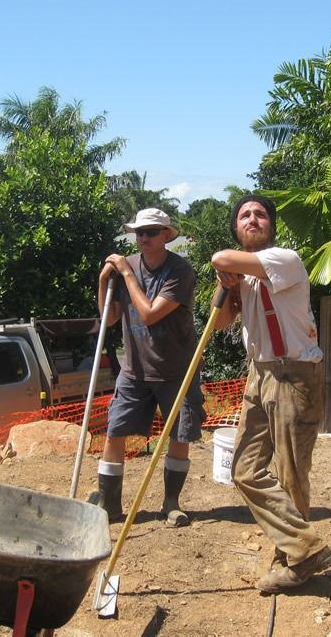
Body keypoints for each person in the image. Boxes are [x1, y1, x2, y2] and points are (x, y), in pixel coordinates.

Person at [211, 194, 331, 594]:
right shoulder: (243, 278)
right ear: (236, 227)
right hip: (259, 374)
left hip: (295, 374)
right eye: (244, 215)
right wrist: (226, 287)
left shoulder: (286, 260)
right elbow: (222, 322)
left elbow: (219, 257)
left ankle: (296, 558)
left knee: (292, 473)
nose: (252, 219)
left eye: (259, 214)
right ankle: (304, 547)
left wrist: (224, 268)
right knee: (244, 470)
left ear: (271, 226)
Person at [94, 207, 205, 528]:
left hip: (177, 370)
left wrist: (127, 276)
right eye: (139, 232)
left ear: (165, 236)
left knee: (179, 435)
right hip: (135, 370)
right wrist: (103, 282)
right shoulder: (126, 265)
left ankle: (171, 504)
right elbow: (110, 318)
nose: (143, 238)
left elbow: (150, 314)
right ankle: (109, 504)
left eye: (151, 232)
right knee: (114, 431)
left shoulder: (179, 271)